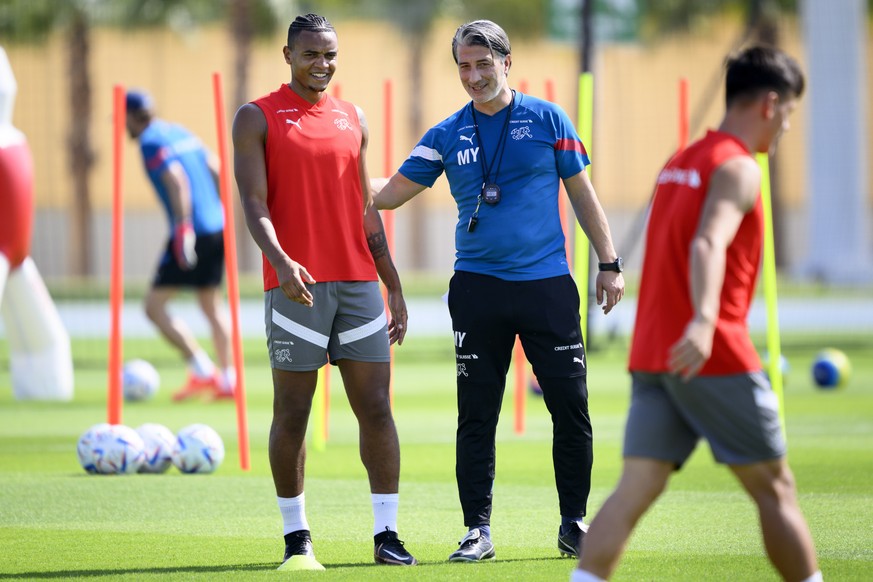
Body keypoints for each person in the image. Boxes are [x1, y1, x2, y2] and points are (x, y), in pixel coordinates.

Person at [372, 19, 624, 563]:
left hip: (547, 287)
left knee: (571, 408)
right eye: (464, 65)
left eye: (484, 63)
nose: (474, 75)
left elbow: (583, 194)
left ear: (507, 63)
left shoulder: (549, 119)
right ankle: (476, 532)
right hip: (477, 291)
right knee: (477, 413)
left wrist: (610, 262)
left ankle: (574, 524)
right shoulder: (445, 134)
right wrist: (327, 175)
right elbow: (389, 195)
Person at [573, 46, 821, 582]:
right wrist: (706, 321)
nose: (786, 128)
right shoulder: (738, 167)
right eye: (790, 116)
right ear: (771, 104)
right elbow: (707, 243)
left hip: (653, 353)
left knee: (636, 488)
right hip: (710, 352)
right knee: (775, 488)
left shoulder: (679, 163)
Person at [231, 13, 417, 571]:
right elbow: (253, 203)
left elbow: (365, 208)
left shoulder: (353, 117)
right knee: (293, 412)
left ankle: (387, 535)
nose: (323, 64)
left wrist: (394, 284)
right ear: (287, 54)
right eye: (311, 54)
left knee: (377, 409)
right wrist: (281, 261)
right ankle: (297, 539)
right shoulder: (256, 117)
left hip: (360, 285)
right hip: (295, 288)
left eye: (331, 54)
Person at [125, 90, 234, 401]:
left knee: (153, 306)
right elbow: (215, 167)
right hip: (216, 225)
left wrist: (185, 228)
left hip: (192, 230)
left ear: (132, 118)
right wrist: (220, 209)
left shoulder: (149, 142)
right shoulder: (178, 131)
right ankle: (228, 381)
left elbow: (176, 180)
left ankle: (202, 370)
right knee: (211, 304)